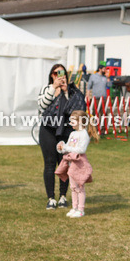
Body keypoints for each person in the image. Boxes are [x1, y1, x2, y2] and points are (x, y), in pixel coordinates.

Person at [38, 64, 86, 209]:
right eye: (56, 73)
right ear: (51, 75)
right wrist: (54, 88)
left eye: (62, 73)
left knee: (65, 163)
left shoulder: (72, 91)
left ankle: (63, 196)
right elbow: (42, 106)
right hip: (48, 129)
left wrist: (65, 92)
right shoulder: (47, 89)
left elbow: (76, 108)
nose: (59, 76)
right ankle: (51, 198)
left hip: (65, 130)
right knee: (49, 163)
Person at [55, 110, 98, 218]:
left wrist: (66, 147)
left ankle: (81, 210)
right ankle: (74, 208)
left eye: (73, 120)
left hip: (79, 164)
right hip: (71, 164)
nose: (70, 123)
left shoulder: (84, 135)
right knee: (73, 187)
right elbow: (68, 147)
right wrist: (61, 147)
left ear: (80, 121)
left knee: (79, 187)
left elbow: (81, 149)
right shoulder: (73, 133)